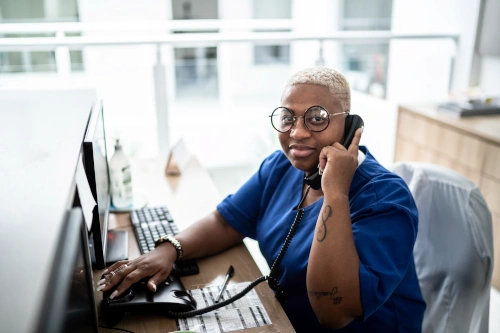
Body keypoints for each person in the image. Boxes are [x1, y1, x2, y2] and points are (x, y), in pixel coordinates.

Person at [99, 67, 426, 332]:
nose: (297, 132)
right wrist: (169, 249)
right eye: (288, 117)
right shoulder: (282, 166)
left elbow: (333, 313)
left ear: (350, 126)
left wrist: (336, 194)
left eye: (317, 118)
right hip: (284, 319)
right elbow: (226, 221)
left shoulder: (384, 199)